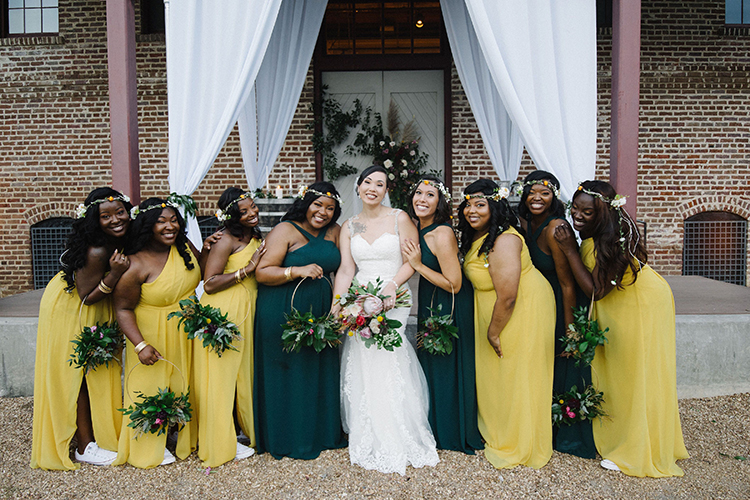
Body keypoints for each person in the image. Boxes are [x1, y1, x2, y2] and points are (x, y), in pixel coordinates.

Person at [554, 180, 689, 477]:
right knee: (621, 373)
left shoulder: (611, 239)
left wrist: (568, 250)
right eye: (574, 208)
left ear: (602, 214)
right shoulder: (594, 232)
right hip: (623, 305)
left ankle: (635, 450)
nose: (577, 216)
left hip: (638, 305)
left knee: (633, 374)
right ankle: (632, 436)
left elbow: (596, 290)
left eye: (586, 212)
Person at [332, 165, 439, 475]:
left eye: (380, 184)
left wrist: (390, 288)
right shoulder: (349, 226)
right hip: (360, 300)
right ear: (359, 187)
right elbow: (346, 271)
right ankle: (369, 431)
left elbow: (411, 260)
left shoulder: (399, 218)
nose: (373, 188)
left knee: (390, 354)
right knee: (365, 358)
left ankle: (400, 428)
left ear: (386, 190)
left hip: (394, 297)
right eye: (368, 182)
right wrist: (338, 306)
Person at [31, 188, 131, 469]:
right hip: (72, 308)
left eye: (119, 212)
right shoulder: (98, 249)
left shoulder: (118, 240)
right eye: (105, 216)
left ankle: (98, 433)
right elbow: (87, 296)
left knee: (96, 373)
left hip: (91, 308)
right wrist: (114, 274)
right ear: (92, 220)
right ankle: (85, 446)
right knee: (79, 375)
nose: (115, 220)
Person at [459, 178, 555, 470]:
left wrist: (493, 330)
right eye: (467, 204)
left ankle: (520, 441)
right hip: (501, 309)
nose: (471, 210)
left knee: (517, 373)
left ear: (496, 206)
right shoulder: (484, 234)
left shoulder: (504, 239)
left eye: (480, 204)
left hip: (520, 310)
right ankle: (501, 428)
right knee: (503, 374)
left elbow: (509, 295)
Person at [253, 182, 346, 459]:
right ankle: (286, 437)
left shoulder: (336, 232)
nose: (323, 212)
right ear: (306, 203)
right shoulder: (286, 230)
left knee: (316, 369)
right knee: (287, 369)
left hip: (322, 309)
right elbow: (262, 272)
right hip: (282, 308)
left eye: (330, 208)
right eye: (318, 205)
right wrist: (295, 270)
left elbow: (346, 267)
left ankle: (320, 434)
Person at [112, 197, 205, 468]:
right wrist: (140, 345)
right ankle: (149, 443)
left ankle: (182, 433)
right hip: (152, 331)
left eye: (174, 220)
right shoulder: (135, 264)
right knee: (152, 385)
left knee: (184, 382)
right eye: (161, 222)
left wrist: (211, 246)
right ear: (146, 225)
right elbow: (123, 309)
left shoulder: (184, 247)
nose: (169, 226)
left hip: (187, 327)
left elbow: (204, 269)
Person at [516, 171, 596, 459]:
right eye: (532, 192)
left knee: (564, 364)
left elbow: (567, 283)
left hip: (563, 304)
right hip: (539, 304)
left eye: (545, 193)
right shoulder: (526, 223)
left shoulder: (556, 228)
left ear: (554, 198)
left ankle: (569, 436)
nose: (537, 198)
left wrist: (571, 328)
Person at [402, 175, 482, 454]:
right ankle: (434, 425)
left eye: (430, 195)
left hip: (448, 305)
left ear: (440, 203)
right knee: (432, 365)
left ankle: (451, 430)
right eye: (418, 193)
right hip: (430, 300)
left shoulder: (441, 233)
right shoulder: (416, 227)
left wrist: (417, 265)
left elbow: (454, 283)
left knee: (447, 366)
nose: (422, 199)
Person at [195, 188, 266, 467]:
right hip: (225, 309)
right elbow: (209, 283)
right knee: (222, 375)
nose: (252, 214)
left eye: (253, 208)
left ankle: (243, 430)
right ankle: (220, 439)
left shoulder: (255, 235)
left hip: (248, 305)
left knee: (243, 373)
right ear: (232, 215)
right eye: (245, 211)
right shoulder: (225, 239)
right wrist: (246, 270)